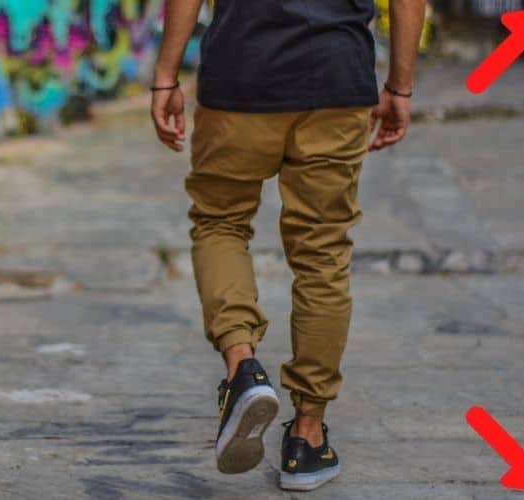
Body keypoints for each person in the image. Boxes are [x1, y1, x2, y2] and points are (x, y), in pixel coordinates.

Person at [150, 0, 426, 492]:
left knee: (220, 223)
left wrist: (165, 77)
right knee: (322, 254)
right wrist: (400, 86)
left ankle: (243, 369)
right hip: (336, 81)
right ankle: (306, 436)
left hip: (239, 75)